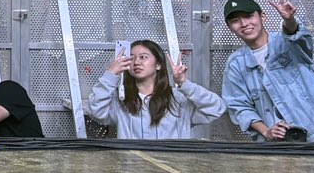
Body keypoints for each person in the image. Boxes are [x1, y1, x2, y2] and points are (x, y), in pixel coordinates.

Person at [220, 0, 314, 142]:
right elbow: (239, 106)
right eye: (235, 21)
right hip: (279, 146)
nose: (244, 24)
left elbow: (299, 37)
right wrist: (266, 132)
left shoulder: (286, 42)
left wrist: (289, 20)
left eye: (249, 16)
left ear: (263, 17)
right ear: (230, 27)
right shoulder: (235, 64)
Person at [86, 40, 227, 139]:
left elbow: (216, 108)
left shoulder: (178, 98)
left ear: (158, 64)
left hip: (175, 171)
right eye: (132, 58)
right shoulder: (122, 98)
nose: (137, 62)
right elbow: (96, 112)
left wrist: (184, 83)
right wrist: (110, 75)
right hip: (133, 170)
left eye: (143, 57)